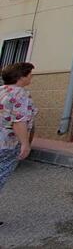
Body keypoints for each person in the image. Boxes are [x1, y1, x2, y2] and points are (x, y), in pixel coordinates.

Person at [0, 62, 38, 197]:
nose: (31, 78)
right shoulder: (20, 94)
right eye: (30, 75)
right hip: (7, 142)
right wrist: (25, 144)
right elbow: (19, 121)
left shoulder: (2, 90)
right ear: (21, 77)